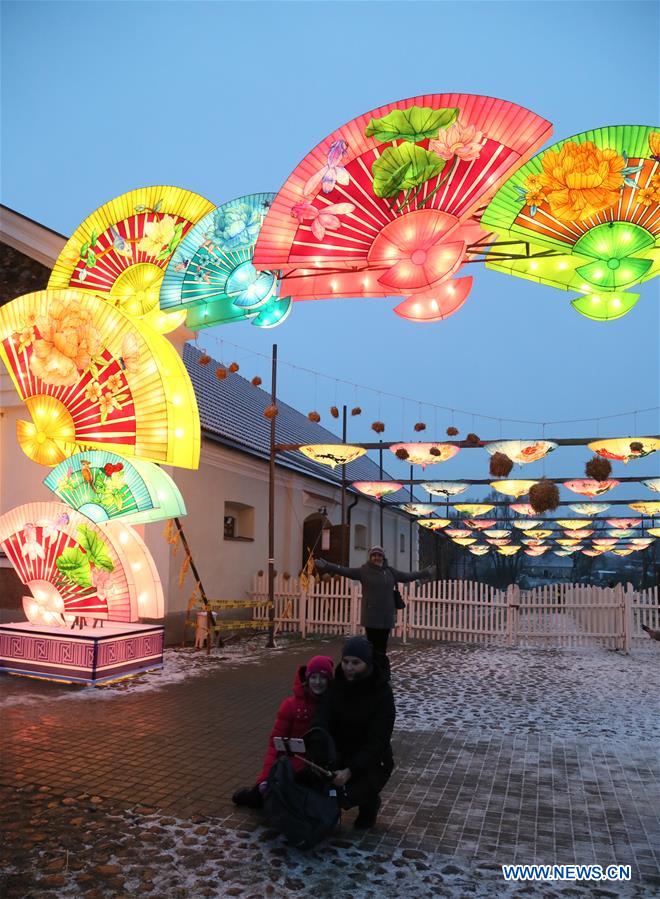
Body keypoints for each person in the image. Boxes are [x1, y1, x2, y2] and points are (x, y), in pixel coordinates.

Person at [232, 655, 334, 809]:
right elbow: (275, 745)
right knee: (266, 795)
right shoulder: (290, 706)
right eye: (314, 677)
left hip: (317, 767)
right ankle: (253, 795)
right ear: (307, 678)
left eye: (323, 677)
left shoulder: (331, 706)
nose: (318, 682)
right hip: (289, 766)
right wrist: (264, 779)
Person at [315, 546, 434, 678]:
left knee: (382, 649)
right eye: (374, 555)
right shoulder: (363, 571)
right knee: (371, 648)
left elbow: (407, 576)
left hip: (386, 617)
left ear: (383, 557)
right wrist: (327, 565)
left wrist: (425, 572)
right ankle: (371, 673)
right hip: (371, 617)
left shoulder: (390, 572)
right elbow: (344, 571)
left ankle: (382, 674)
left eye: (379, 555)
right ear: (370, 557)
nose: (377, 557)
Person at [315, 635, 395, 830]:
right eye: (345, 661)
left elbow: (379, 739)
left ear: (367, 664)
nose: (349, 668)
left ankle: (369, 804)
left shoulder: (382, 693)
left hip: (370, 757)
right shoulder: (336, 686)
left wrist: (351, 770)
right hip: (339, 750)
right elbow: (322, 720)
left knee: (358, 788)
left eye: (356, 663)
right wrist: (319, 754)